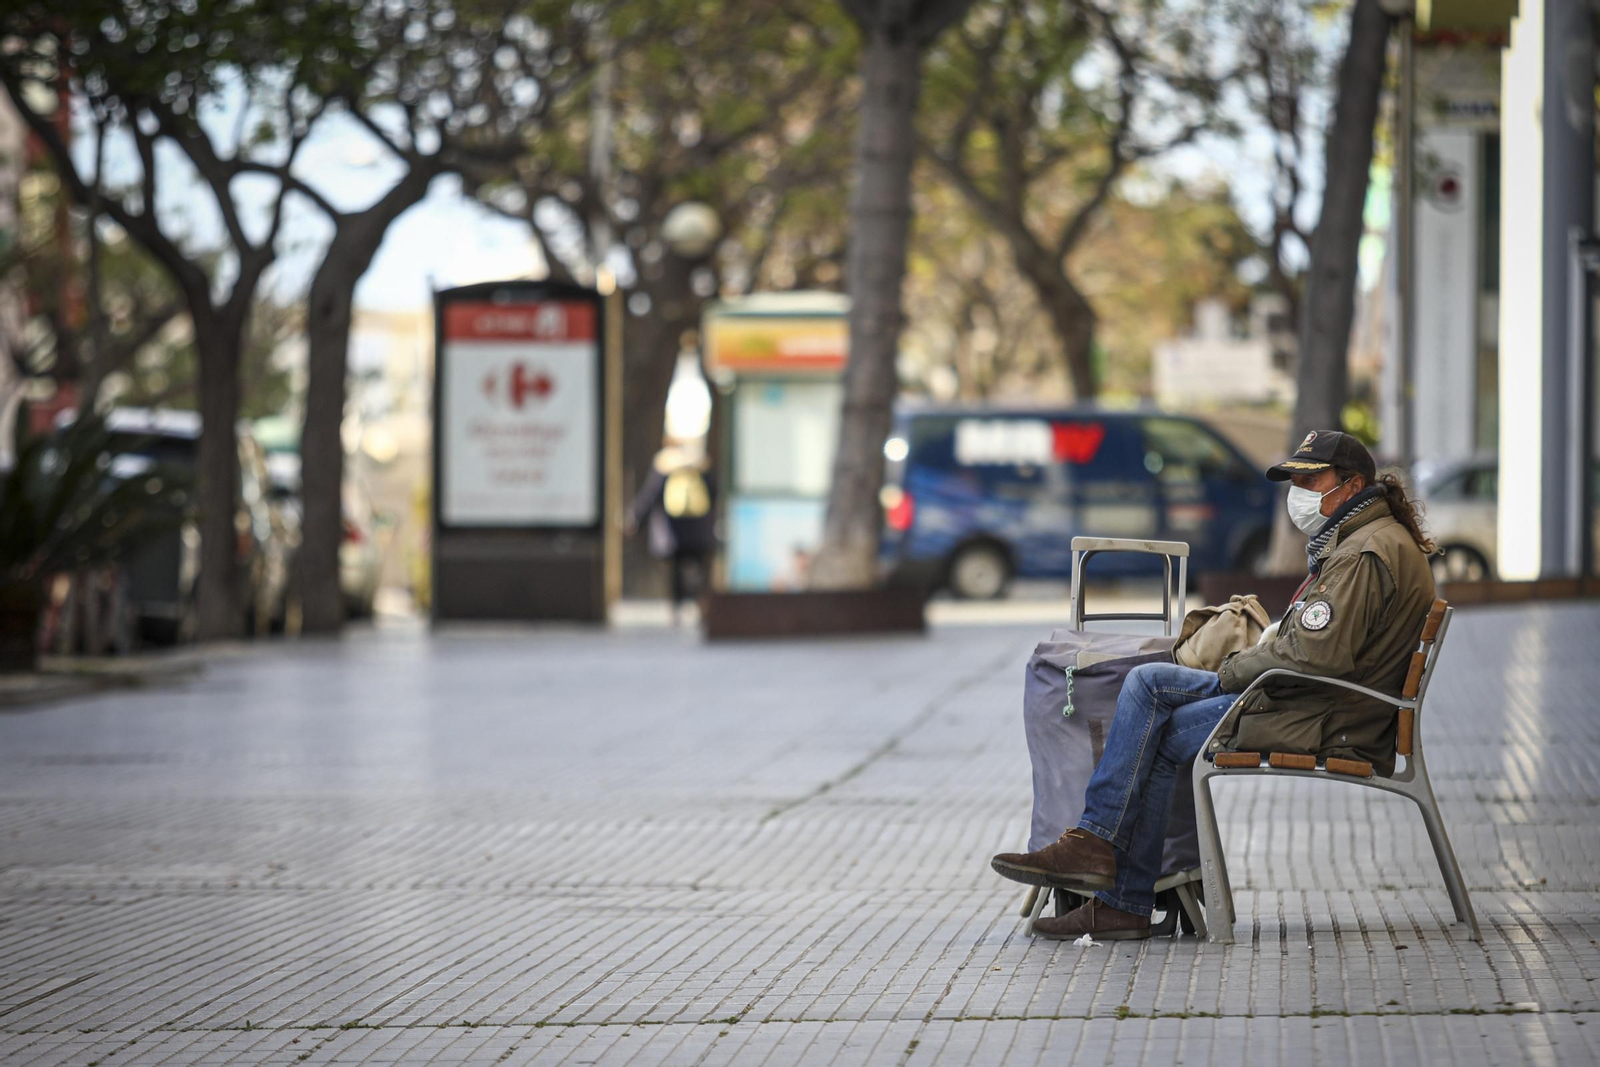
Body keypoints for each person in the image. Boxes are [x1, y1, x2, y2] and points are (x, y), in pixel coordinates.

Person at [990, 430, 1438, 940]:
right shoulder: (1366, 540)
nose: (1300, 490)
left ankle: (1098, 848)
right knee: (1155, 716)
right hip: (1321, 701)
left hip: (1326, 715)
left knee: (1146, 685)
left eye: (1312, 479)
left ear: (1352, 484)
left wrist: (1232, 668)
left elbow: (1318, 654)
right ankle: (1122, 897)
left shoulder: (1364, 552)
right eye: (1296, 479)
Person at [626, 445, 716, 623]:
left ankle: (676, 608)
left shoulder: (664, 466)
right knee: (698, 569)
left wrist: (635, 518)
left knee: (674, 571)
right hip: (698, 529)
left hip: (671, 531)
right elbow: (714, 494)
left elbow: (650, 495)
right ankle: (699, 603)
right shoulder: (702, 466)